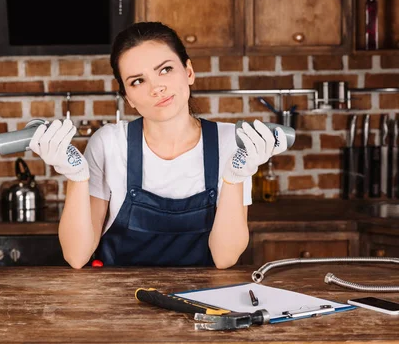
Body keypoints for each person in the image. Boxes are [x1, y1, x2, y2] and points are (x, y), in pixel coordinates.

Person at [29, 22, 288, 269]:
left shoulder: (232, 142)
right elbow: (76, 256)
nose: (157, 88)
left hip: (201, 302)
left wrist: (234, 179)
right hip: (119, 303)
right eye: (137, 81)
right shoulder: (109, 143)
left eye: (165, 69)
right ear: (127, 98)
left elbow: (224, 258)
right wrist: (76, 177)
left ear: (188, 72)